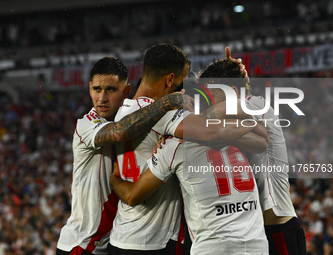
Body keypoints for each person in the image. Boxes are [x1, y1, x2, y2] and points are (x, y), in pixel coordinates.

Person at [108, 43, 268, 254]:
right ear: (170, 80)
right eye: (182, 83)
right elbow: (257, 139)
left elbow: (132, 195)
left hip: (130, 235)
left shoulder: (124, 114)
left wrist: (113, 178)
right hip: (162, 241)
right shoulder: (180, 124)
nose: (184, 91)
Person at [56, 56, 193, 255]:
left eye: (110, 90)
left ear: (126, 91)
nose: (102, 98)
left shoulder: (135, 119)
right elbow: (120, 132)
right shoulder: (86, 124)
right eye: (97, 89)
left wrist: (166, 139)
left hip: (110, 243)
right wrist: (166, 102)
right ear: (89, 89)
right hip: (81, 244)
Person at [199, 50, 307, 255]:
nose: (207, 99)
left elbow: (205, 119)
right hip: (255, 231)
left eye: (211, 92)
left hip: (279, 228)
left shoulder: (256, 105)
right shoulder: (232, 119)